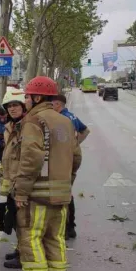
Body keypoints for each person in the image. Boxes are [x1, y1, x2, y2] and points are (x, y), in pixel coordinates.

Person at [10, 76, 82, 271]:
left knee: (30, 238)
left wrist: (21, 191)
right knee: (55, 239)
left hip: (38, 195)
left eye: (28, 96)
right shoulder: (66, 122)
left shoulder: (34, 121)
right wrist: (67, 181)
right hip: (62, 194)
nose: (26, 101)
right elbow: (76, 157)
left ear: (38, 97)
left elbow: (31, 158)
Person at [52, 94, 90, 239]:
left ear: (58, 104)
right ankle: (70, 227)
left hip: (66, 158)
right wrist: (76, 144)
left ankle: (67, 228)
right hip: (73, 155)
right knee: (66, 190)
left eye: (52, 105)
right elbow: (85, 130)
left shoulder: (62, 119)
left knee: (63, 193)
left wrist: (70, 146)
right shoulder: (71, 116)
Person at [0, 89, 27, 270]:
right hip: (9, 180)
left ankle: (24, 255)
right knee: (14, 220)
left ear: (23, 106)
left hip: (22, 182)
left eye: (16, 105)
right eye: (9, 106)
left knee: (23, 222)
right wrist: (3, 195)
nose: (12, 109)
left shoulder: (28, 127)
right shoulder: (9, 127)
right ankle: (19, 249)